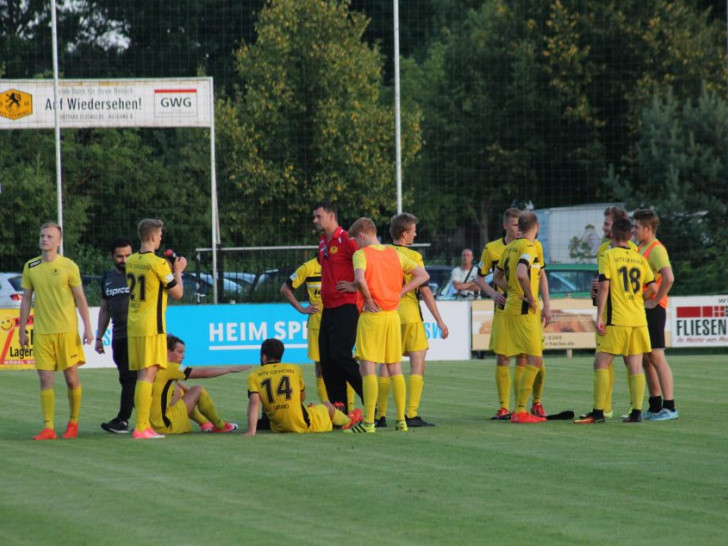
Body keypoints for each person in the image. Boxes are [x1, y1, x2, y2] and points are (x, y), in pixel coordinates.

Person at [345, 217, 429, 434]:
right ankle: (401, 420)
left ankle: (369, 422)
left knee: (368, 366)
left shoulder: (361, 255)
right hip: (392, 315)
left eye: (355, 239)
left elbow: (362, 280)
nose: (355, 244)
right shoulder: (394, 254)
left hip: (372, 316)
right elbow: (422, 275)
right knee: (394, 367)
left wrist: (369, 299)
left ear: (362, 235)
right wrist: (400, 292)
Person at [575, 217, 656, 424]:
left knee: (601, 362)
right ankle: (636, 412)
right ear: (630, 236)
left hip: (617, 318)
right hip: (638, 319)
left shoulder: (608, 255)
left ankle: (599, 412)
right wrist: (638, 300)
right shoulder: (640, 258)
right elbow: (654, 289)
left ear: (612, 233)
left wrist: (599, 315)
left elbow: (603, 287)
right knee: (636, 365)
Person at [18, 222, 93, 440]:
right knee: (44, 379)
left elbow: (80, 298)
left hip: (66, 331)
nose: (44, 239)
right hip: (42, 332)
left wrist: (88, 327)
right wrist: (22, 329)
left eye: (49, 236)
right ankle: (48, 428)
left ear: (59, 242)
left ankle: (73, 422)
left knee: (71, 379)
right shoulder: (30, 266)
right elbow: (26, 300)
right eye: (42, 235)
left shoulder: (69, 266)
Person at [375, 212, 448, 428]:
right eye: (414, 230)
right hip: (410, 315)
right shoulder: (414, 258)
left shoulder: (383, 253)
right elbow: (425, 291)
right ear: (405, 233)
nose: (416, 234)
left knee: (387, 365)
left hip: (388, 314)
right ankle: (411, 414)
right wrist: (440, 321)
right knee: (418, 363)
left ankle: (379, 416)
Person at [126, 218, 187, 439]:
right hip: (152, 325)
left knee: (143, 374)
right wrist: (178, 270)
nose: (161, 238)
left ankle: (142, 425)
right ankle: (142, 427)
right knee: (147, 375)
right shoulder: (159, 263)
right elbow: (178, 293)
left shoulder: (131, 260)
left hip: (135, 324)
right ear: (153, 236)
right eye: (160, 235)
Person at [493, 211, 550, 424]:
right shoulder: (528, 247)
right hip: (525, 312)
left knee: (527, 359)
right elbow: (520, 272)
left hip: (511, 309)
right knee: (534, 360)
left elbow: (497, 277)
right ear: (536, 226)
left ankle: (525, 406)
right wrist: (529, 297)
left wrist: (513, 293)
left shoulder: (510, 247)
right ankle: (520, 410)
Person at [280, 257, 356, 408]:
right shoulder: (308, 267)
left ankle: (350, 409)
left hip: (341, 321)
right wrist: (302, 309)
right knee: (321, 368)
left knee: (345, 364)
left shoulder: (345, 265)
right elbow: (285, 288)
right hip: (318, 324)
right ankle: (330, 408)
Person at [244, 339, 361, 436]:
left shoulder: (254, 375)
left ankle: (339, 418)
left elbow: (254, 403)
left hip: (277, 425)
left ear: (264, 357)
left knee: (313, 409)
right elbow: (301, 398)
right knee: (326, 405)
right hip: (303, 424)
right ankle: (348, 421)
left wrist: (251, 431)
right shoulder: (294, 369)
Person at [587, 206, 637, 419]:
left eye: (606, 223)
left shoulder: (613, 251)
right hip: (627, 313)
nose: (603, 226)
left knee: (607, 360)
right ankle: (624, 409)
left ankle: (606, 409)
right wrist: (594, 291)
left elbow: (607, 283)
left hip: (613, 315)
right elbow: (601, 281)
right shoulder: (629, 250)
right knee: (622, 360)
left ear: (616, 226)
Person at [313, 200, 362, 410]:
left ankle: (372, 401)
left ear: (331, 216)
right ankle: (339, 409)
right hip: (328, 309)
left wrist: (356, 285)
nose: (315, 220)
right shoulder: (323, 242)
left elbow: (366, 262)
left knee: (340, 356)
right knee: (326, 361)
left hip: (346, 306)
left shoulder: (347, 240)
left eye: (318, 216)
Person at [151, 335, 248, 434]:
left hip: (151, 426)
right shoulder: (170, 368)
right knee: (198, 390)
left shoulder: (152, 367)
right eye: (179, 352)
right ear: (168, 352)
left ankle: (204, 423)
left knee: (178, 391)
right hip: (165, 426)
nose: (183, 356)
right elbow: (203, 373)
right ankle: (220, 426)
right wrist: (230, 369)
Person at [633, 209, 678, 421]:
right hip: (644, 308)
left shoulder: (656, 249)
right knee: (646, 358)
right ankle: (655, 405)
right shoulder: (641, 247)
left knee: (657, 357)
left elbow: (668, 277)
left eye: (636, 227)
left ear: (648, 229)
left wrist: (655, 299)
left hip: (654, 309)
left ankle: (670, 407)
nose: (633, 230)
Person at [96, 237, 136, 433]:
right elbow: (105, 309)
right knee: (125, 378)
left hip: (136, 335)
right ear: (112, 256)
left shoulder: (139, 274)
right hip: (118, 336)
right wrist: (98, 337)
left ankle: (122, 419)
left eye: (128, 255)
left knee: (129, 377)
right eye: (120, 256)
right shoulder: (107, 279)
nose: (125, 260)